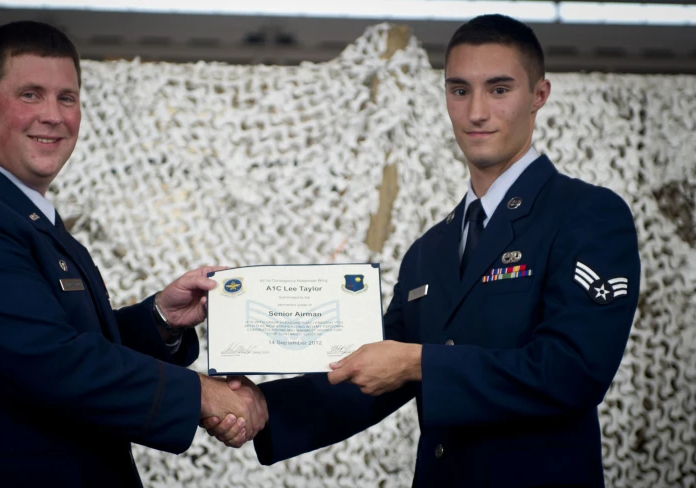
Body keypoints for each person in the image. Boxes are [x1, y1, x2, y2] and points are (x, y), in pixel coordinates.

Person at [204, 14, 640, 487]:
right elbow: (371, 371)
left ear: (539, 95)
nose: (476, 111)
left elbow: (571, 372)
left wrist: (417, 363)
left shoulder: (587, 215)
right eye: (459, 90)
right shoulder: (429, 250)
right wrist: (265, 407)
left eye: (499, 89)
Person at [0, 21, 266, 488]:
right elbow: (51, 361)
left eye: (66, 98)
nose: (52, 115)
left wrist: (159, 319)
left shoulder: (16, 211)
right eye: (30, 94)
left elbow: (62, 339)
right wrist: (202, 396)